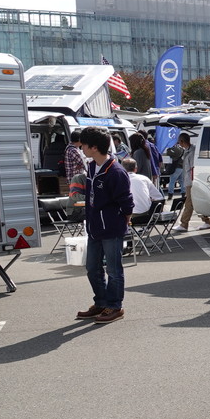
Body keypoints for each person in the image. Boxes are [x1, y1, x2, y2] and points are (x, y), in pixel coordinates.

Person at [76, 126, 133, 325]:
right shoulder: (92, 166)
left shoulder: (116, 171)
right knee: (92, 268)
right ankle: (101, 303)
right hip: (94, 227)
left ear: (93, 147)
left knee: (113, 270)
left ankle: (115, 306)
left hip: (111, 228)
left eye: (83, 144)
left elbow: (127, 202)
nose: (81, 148)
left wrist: (123, 221)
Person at [172, 133, 210, 232]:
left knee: (189, 203)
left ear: (182, 141)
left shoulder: (191, 153)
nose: (179, 144)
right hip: (190, 181)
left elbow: (193, 169)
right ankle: (207, 221)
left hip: (191, 182)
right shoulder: (189, 150)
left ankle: (184, 224)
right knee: (195, 202)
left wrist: (193, 182)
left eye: (179, 142)